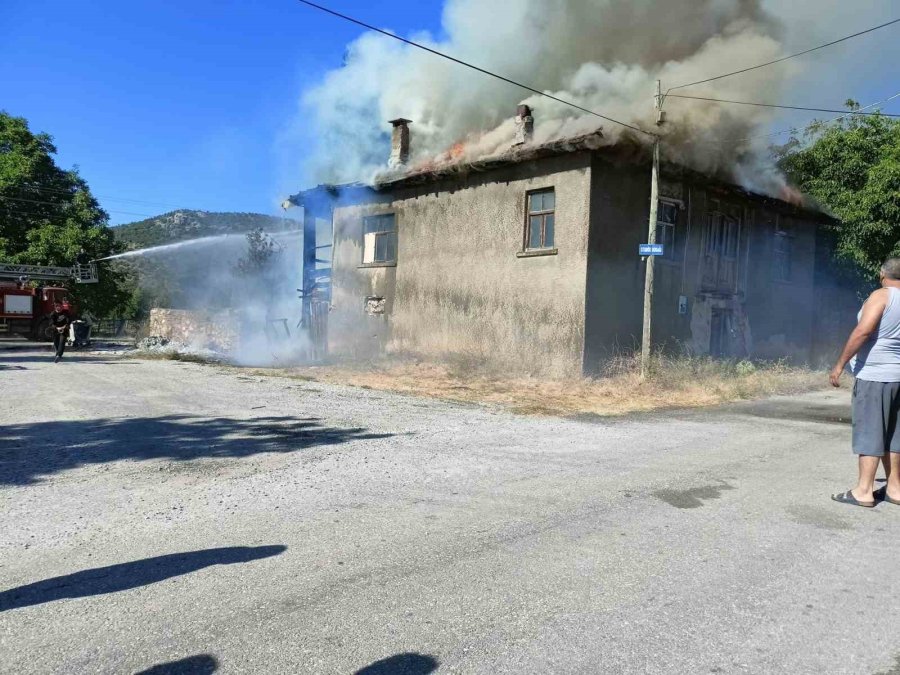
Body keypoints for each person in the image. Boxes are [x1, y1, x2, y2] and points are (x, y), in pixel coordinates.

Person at [830, 257, 900, 508]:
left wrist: (839, 364)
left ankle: (863, 491)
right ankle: (895, 489)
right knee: (895, 435)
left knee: (871, 432)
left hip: (876, 377)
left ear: (883, 274)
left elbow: (863, 330)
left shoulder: (882, 296)